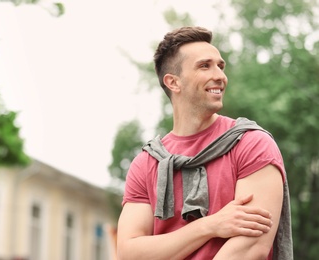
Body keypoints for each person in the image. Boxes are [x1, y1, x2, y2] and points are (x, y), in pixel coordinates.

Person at [116, 26, 292, 259]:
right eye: (204, 66)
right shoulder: (146, 163)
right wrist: (208, 226)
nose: (220, 76)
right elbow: (130, 253)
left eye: (220, 66)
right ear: (173, 82)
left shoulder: (251, 143)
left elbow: (251, 249)